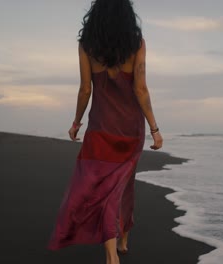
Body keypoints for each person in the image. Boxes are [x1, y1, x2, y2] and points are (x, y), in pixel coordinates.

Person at [46, 0, 163, 263]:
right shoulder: (136, 43)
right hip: (130, 131)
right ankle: (115, 251)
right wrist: (155, 129)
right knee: (122, 186)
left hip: (100, 129)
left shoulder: (87, 44)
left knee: (103, 189)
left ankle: (118, 242)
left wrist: (76, 123)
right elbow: (140, 89)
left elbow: (85, 89)